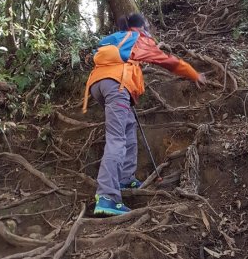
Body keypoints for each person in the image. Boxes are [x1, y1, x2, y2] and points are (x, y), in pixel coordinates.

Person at [83, 12, 206, 216]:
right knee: (117, 140)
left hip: (99, 85)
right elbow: (168, 61)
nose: (149, 31)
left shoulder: (117, 38)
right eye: (147, 27)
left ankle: (124, 178)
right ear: (141, 28)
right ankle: (107, 197)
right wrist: (194, 74)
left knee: (128, 127)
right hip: (117, 86)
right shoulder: (138, 39)